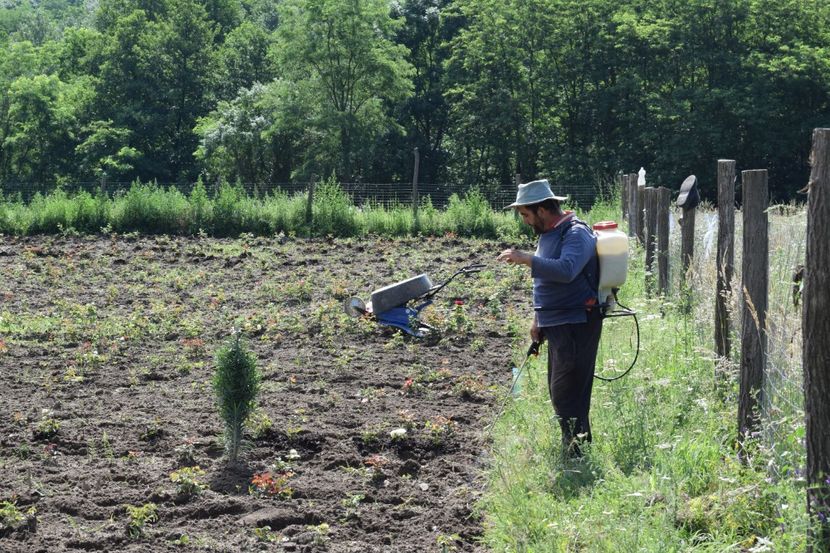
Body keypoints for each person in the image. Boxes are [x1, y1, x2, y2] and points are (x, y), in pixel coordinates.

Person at [497, 179, 602, 458]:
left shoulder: (576, 233)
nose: (525, 221)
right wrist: (538, 318)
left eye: (525, 214)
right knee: (560, 390)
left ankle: (578, 453)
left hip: (577, 321)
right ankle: (574, 449)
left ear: (542, 209)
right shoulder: (549, 234)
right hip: (556, 321)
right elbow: (546, 282)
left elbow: (567, 270)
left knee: (569, 391)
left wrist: (526, 258)